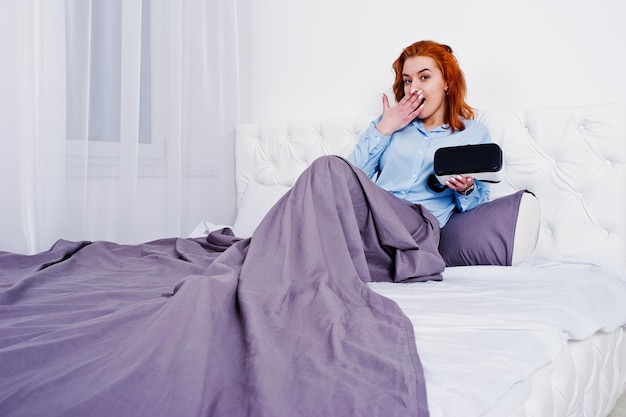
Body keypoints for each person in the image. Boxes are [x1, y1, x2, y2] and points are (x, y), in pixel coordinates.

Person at [348, 40, 491, 227]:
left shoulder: (473, 134)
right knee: (324, 168)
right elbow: (348, 181)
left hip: (419, 227)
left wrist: (465, 189)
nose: (413, 88)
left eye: (424, 77)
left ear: (447, 82)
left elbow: (479, 205)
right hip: (374, 219)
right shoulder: (387, 124)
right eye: (407, 80)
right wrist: (385, 129)